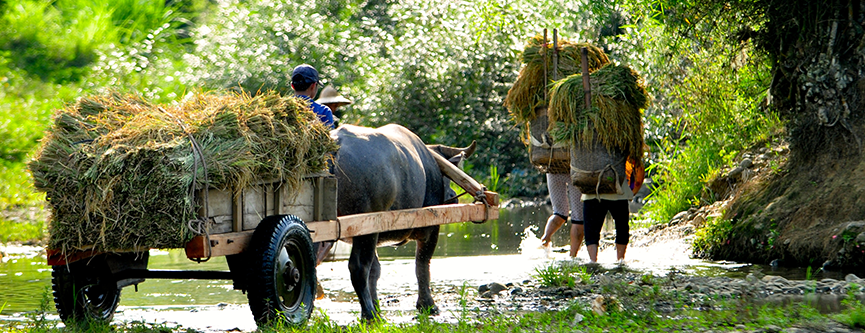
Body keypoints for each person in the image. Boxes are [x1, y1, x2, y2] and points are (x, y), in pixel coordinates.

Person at [581, 157, 644, 263]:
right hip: (619, 190)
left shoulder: (587, 143)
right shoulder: (622, 141)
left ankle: (593, 261)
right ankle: (620, 260)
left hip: (592, 189)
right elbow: (636, 163)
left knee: (591, 229)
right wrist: (633, 190)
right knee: (622, 226)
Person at [540, 173, 585, 258]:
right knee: (578, 218)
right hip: (575, 171)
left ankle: (545, 240)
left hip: (554, 170)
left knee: (559, 213)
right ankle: (573, 257)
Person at [291, 64, 335, 129]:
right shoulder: (323, 111)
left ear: (292, 86)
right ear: (313, 86)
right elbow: (330, 137)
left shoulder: (280, 107)